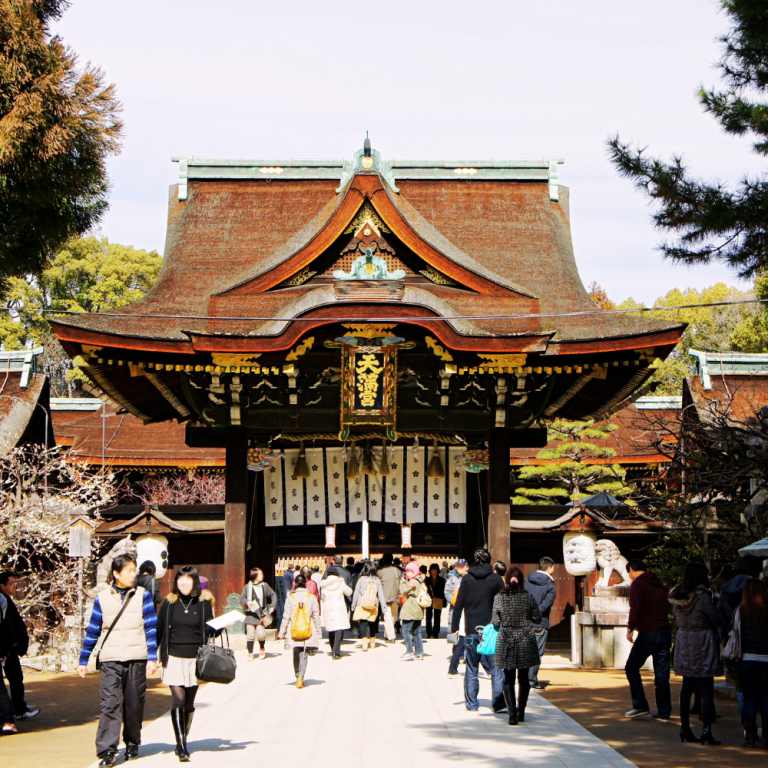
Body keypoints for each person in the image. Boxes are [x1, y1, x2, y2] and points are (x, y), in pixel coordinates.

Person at [78, 553, 158, 767]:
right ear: (116, 574)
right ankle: (107, 751)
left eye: (135, 570)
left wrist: (152, 657)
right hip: (110, 659)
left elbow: (151, 627)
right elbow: (93, 630)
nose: (134, 575)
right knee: (110, 704)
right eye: (129, 571)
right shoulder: (102, 598)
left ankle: (132, 743)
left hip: (136, 658)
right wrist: (83, 659)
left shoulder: (143, 595)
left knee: (134, 704)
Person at [157, 566, 217, 761]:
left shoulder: (203, 603)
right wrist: (151, 656)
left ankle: (183, 736)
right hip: (173, 657)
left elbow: (210, 631)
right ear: (176, 582)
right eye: (180, 579)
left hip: (195, 659)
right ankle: (181, 745)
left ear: (194, 582)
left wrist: (222, 626)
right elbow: (159, 631)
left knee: (189, 704)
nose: (183, 583)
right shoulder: (169, 603)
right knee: (178, 701)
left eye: (188, 579)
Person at [668, 562, 721, 746]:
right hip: (702, 639)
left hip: (684, 639)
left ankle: (685, 728)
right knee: (706, 686)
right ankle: (706, 730)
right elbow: (714, 618)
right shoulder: (703, 596)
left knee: (686, 686)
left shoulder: (677, 594)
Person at [451, 549, 505, 712]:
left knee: (472, 667)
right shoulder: (496, 579)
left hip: (472, 629)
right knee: (496, 668)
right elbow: (504, 603)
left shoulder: (466, 580)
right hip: (493, 629)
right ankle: (498, 703)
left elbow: (458, 605)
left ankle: (472, 703)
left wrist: (454, 627)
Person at [492, 566, 542, 725]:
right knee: (524, 678)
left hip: (507, 639)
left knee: (508, 678)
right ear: (521, 581)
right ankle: (521, 711)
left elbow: (496, 623)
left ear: (506, 580)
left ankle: (511, 713)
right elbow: (538, 618)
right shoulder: (528, 597)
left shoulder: (499, 598)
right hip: (525, 639)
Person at [623, 559, 672, 722]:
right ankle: (664, 710)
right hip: (665, 630)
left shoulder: (638, 584)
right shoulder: (659, 584)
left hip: (649, 631)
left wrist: (630, 628)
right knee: (662, 674)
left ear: (631, 570)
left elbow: (635, 607)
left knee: (631, 667)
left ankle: (640, 704)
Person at [0, 572, 40, 720]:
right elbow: (7, 624)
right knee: (15, 678)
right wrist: (14, 641)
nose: (14, 585)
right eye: (11, 583)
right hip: (7, 647)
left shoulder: (6, 600)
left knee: (15, 678)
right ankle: (18, 710)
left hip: (8, 646)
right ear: (2, 586)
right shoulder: (3, 600)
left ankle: (18, 708)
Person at [737, 578, 768, 748]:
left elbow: (733, 633)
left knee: (749, 698)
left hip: (747, 659)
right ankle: (766, 737)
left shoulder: (741, 611)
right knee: (765, 698)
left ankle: (749, 736)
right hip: (766, 659)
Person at [279, 573, 321, 688]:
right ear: (306, 583)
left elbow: (286, 616)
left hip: (294, 628)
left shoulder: (290, 598)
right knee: (304, 652)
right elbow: (316, 616)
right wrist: (318, 632)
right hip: (307, 628)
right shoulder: (311, 597)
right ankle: (301, 675)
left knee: (296, 652)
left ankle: (297, 675)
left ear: (295, 583)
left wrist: (281, 633)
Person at [525, 557, 557, 690]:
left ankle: (523, 678)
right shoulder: (550, 585)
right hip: (539, 622)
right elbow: (546, 604)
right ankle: (531, 680)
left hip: (525, 621)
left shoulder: (526, 581)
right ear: (549, 568)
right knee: (537, 652)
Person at [718, 556, 763, 640]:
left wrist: (725, 629)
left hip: (730, 633)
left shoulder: (726, 586)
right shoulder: (755, 587)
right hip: (751, 634)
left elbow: (720, 610)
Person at [240, 567, 277, 661]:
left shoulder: (264, 585)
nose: (262, 576)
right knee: (250, 635)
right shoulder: (247, 586)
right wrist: (247, 602)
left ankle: (262, 648)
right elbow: (242, 598)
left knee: (261, 634)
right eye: (260, 574)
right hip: (250, 614)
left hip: (261, 614)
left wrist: (272, 606)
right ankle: (250, 653)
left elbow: (273, 595)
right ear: (255, 575)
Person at [350, 560, 387, 650]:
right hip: (374, 604)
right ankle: (373, 642)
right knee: (372, 623)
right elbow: (381, 594)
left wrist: (353, 605)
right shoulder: (377, 580)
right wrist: (383, 607)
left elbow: (356, 593)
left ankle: (365, 644)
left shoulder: (361, 579)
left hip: (362, 604)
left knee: (363, 624)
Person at [445, 559, 471, 676]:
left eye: (462, 566)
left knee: (463, 640)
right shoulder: (452, 579)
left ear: (467, 567)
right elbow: (447, 592)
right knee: (459, 640)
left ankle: (458, 663)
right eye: (458, 566)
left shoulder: (470, 579)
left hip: (467, 611)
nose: (459, 568)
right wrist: (455, 601)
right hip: (456, 609)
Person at [320, 566, 352, 659]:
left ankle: (332, 649)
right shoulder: (340, 582)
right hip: (339, 607)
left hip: (329, 607)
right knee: (338, 629)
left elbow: (323, 597)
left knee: (331, 629)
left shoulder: (324, 585)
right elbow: (349, 592)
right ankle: (336, 652)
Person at [399, 561, 426, 660]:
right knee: (417, 632)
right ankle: (419, 652)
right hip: (418, 610)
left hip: (410, 610)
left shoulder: (412, 582)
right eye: (406, 571)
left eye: (409, 571)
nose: (407, 573)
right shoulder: (420, 580)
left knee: (406, 631)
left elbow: (403, 591)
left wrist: (403, 581)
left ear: (414, 571)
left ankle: (409, 651)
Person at [0, 591, 16, 734]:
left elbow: (4, 626)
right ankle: (7, 719)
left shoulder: (1, 599)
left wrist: (5, 649)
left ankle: (7, 719)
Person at [425, 563, 446, 639]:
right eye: (432, 570)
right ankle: (428, 632)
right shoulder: (427, 580)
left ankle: (436, 632)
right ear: (430, 571)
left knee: (437, 617)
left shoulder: (442, 580)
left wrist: (444, 602)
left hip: (438, 599)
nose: (434, 572)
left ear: (438, 571)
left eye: (435, 570)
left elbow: (444, 592)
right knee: (428, 616)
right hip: (429, 600)